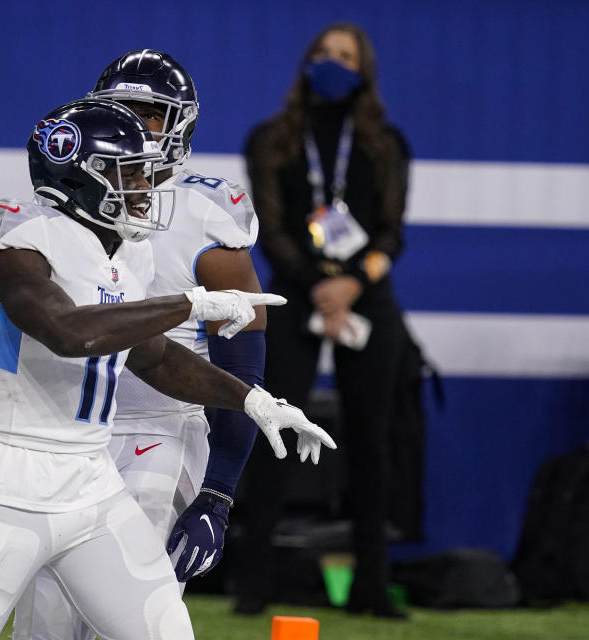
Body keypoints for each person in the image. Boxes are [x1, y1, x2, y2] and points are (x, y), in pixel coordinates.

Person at [0, 98, 335, 640]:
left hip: (91, 482)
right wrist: (189, 303)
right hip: (7, 478)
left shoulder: (125, 254)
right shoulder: (18, 239)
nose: (146, 187)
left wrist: (255, 401)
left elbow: (155, 355)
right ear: (80, 177)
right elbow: (71, 333)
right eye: (130, 173)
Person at [13, 50, 286, 640]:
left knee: (132, 617)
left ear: (182, 123)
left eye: (151, 113)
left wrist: (218, 492)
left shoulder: (207, 216)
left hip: (158, 430)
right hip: (65, 431)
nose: (134, 124)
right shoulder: (60, 204)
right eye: (121, 109)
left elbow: (244, 367)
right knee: (48, 624)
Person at [233, 22, 411, 618]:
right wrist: (319, 287)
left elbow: (392, 234)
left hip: (368, 297)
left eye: (346, 56)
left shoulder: (386, 144)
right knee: (275, 432)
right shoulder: (271, 140)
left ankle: (370, 587)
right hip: (294, 294)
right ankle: (253, 584)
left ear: (364, 71)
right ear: (307, 62)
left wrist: (353, 283)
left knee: (370, 440)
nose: (333, 64)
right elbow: (272, 232)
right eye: (324, 54)